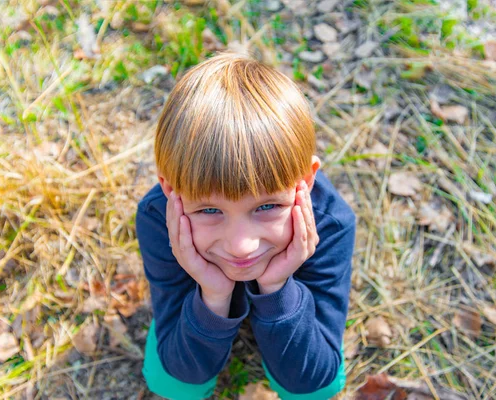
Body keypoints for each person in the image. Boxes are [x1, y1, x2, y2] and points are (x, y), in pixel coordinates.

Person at [135, 51, 356, 400]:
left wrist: (277, 286)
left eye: (267, 206)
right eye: (209, 210)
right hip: (202, 305)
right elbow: (183, 369)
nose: (241, 246)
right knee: (172, 383)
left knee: (315, 391)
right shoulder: (157, 219)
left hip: (289, 306)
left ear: (306, 182)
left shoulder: (331, 224)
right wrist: (213, 294)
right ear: (170, 190)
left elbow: (313, 377)